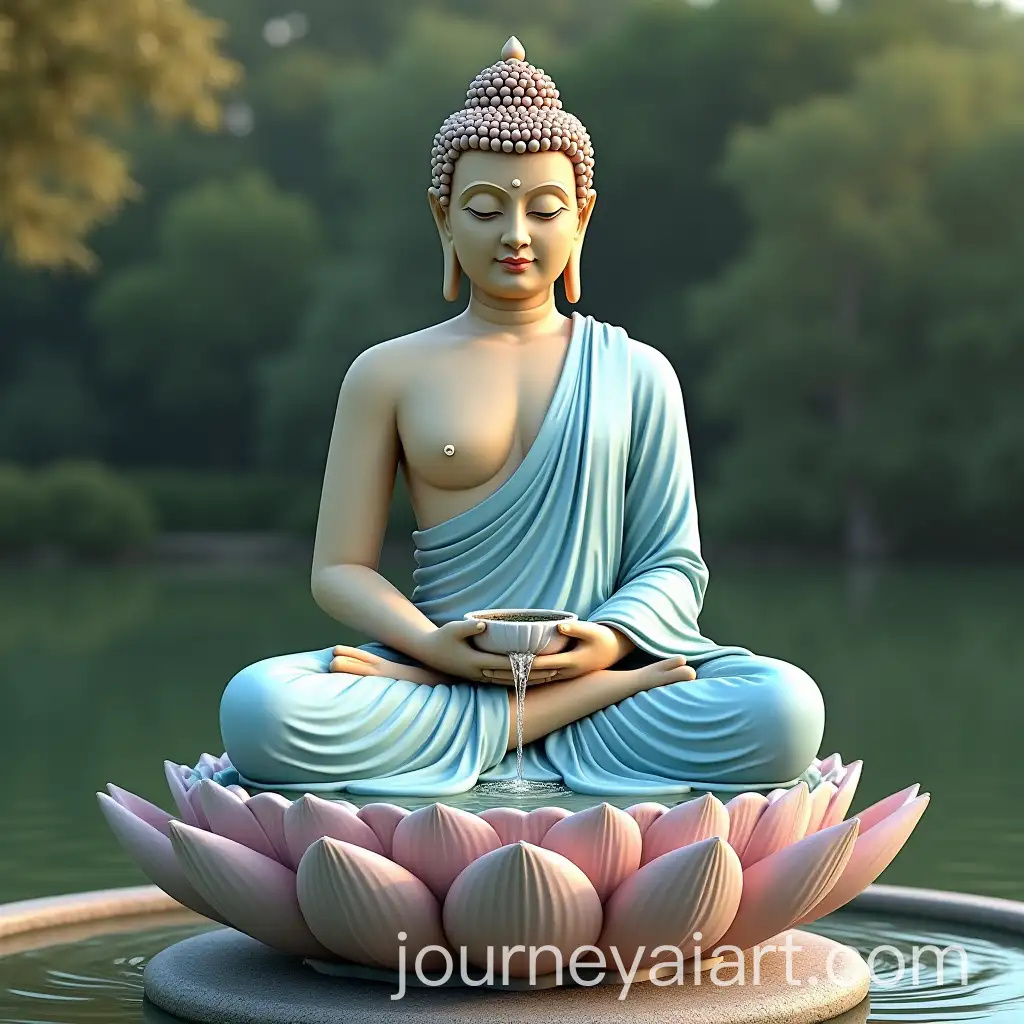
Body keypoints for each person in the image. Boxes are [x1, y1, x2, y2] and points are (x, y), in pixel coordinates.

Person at [213, 37, 824, 797]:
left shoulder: (638, 372)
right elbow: (338, 569)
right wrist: (435, 648)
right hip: (439, 674)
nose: (515, 235)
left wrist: (606, 648)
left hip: (603, 673)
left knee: (784, 710)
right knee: (261, 709)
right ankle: (548, 720)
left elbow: (675, 566)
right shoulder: (388, 372)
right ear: (443, 218)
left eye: (543, 209)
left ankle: (544, 715)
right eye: (483, 208)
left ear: (582, 218)